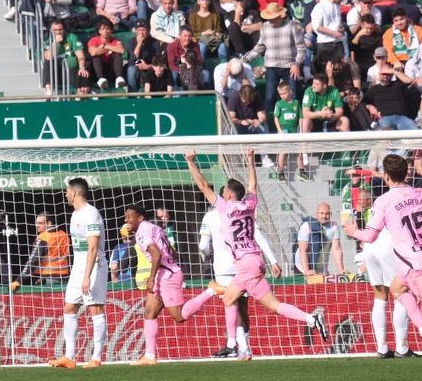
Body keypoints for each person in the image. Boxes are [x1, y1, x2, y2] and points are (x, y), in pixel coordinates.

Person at [187, 148, 329, 361]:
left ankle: (238, 345)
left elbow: (204, 186)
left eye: (224, 190)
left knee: (262, 304)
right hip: (254, 260)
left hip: (245, 264)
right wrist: (250, 160)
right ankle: (242, 348)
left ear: (227, 195)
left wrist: (190, 162)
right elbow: (253, 186)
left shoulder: (224, 209)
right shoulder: (249, 204)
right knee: (232, 299)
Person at [344, 152, 422, 350]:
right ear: (407, 174)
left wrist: (353, 231)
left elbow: (369, 237)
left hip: (413, 262)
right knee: (397, 289)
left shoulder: (384, 201)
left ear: (386, 176)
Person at [126, 205, 218, 365]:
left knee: (179, 316)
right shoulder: (155, 228)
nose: (126, 220)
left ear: (140, 218)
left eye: (129, 216)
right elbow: (172, 252)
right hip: (167, 272)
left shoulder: (142, 231)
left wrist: (151, 278)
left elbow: (156, 254)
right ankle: (149, 356)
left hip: (166, 275)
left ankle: (211, 290)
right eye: (125, 216)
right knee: (150, 312)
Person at [198, 184, 282, 357]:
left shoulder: (210, 216)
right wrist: (273, 260)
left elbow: (203, 246)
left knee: (230, 305)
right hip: (245, 263)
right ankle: (243, 346)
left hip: (223, 267)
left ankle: (234, 346)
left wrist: (208, 256)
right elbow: (258, 236)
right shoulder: (244, 212)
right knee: (243, 308)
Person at [48, 178, 108, 369]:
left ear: (74, 193)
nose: (65, 194)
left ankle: (96, 358)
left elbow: (92, 248)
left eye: (66, 191)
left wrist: (86, 276)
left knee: (95, 309)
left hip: (94, 267)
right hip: (78, 267)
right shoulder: (75, 215)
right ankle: (70, 357)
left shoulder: (91, 214)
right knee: (69, 307)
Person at [357, 192, 416, 358]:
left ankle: (382, 348)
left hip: (370, 246)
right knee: (401, 293)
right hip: (388, 244)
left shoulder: (380, 201)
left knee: (379, 296)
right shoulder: (408, 198)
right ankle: (401, 348)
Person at [11, 211, 70, 290]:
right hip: (65, 278)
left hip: (48, 279)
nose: (37, 226)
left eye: (40, 223)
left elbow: (32, 261)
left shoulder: (43, 238)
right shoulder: (64, 235)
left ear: (49, 223)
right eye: (36, 223)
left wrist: (19, 281)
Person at [295, 203, 346, 276]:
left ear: (331, 214)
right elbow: (302, 250)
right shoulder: (306, 226)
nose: (324, 216)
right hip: (302, 266)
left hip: (321, 267)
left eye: (327, 214)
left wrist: (341, 270)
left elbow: (337, 249)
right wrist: (306, 271)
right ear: (316, 214)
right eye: (321, 213)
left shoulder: (334, 226)